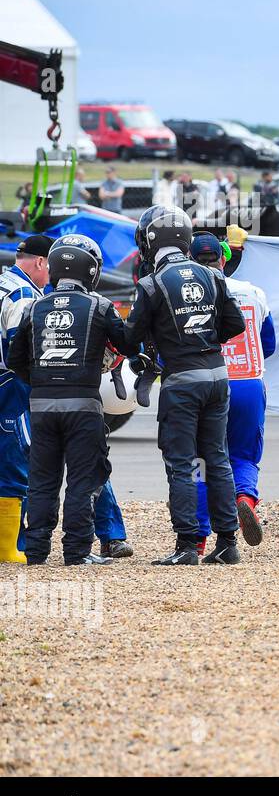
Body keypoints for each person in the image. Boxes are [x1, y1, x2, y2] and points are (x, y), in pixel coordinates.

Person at [125, 205, 246, 564]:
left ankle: (186, 545)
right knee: (217, 458)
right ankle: (228, 544)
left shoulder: (151, 284)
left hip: (181, 382)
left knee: (181, 464)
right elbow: (235, 325)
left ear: (151, 241)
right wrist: (204, 340)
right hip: (217, 376)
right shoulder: (213, 276)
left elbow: (131, 338)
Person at [7, 236, 133, 565]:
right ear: (88, 272)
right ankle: (76, 553)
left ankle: (35, 551)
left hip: (42, 407)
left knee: (42, 479)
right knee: (83, 479)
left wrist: (42, 381)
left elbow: (16, 358)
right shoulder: (100, 306)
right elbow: (127, 344)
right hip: (83, 405)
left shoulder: (35, 306)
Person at [190, 232, 275, 548]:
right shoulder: (253, 292)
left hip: (204, 381)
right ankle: (246, 500)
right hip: (248, 382)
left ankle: (197, 536)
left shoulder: (185, 293)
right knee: (244, 455)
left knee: (200, 460)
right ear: (224, 260)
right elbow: (269, 344)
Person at [0, 235, 52, 563]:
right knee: (14, 458)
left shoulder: (3, 280)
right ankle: (9, 548)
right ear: (40, 262)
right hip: (10, 383)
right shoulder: (24, 295)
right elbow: (16, 346)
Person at [256, 170, 279, 238]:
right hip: (263, 208)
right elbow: (260, 194)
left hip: (273, 208)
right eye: (269, 176)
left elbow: (274, 194)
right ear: (264, 177)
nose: (271, 178)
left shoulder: (274, 184)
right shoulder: (259, 184)